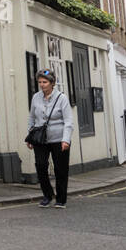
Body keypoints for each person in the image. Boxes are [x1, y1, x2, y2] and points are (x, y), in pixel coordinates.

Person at [26, 69, 72, 208]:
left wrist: (66, 140)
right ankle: (47, 195)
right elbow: (32, 118)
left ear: (52, 83)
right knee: (40, 166)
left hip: (59, 139)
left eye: (45, 82)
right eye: (40, 82)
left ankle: (61, 199)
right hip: (41, 139)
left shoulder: (62, 98)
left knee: (60, 169)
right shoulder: (36, 97)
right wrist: (30, 136)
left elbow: (68, 121)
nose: (42, 85)